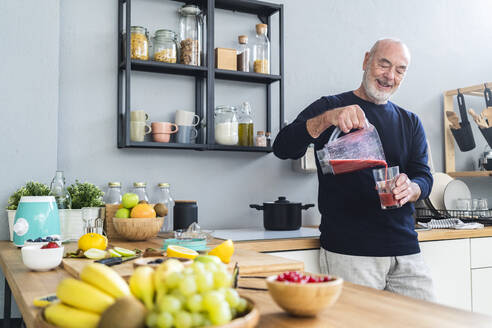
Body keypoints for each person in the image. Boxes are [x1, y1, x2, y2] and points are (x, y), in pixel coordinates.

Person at [273, 38, 435, 301]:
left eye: (400, 70)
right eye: (384, 65)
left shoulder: (410, 121)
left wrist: (412, 187)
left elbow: (423, 176)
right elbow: (282, 148)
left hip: (406, 252)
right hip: (351, 252)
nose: (390, 76)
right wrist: (328, 118)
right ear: (366, 61)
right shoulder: (330, 106)